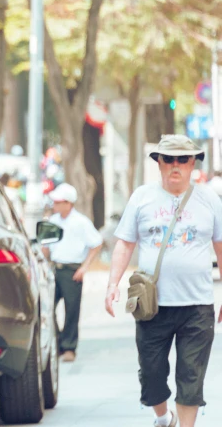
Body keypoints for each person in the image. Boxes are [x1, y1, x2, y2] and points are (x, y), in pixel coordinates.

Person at [105, 134, 222, 427]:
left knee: (190, 376)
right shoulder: (142, 197)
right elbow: (124, 244)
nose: (176, 166)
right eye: (168, 159)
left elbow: (221, 246)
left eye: (183, 159)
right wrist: (111, 285)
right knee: (152, 373)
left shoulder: (210, 199)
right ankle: (163, 417)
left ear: (193, 162)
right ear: (158, 162)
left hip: (197, 306)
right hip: (152, 306)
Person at [43, 182, 103, 362]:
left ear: (68, 203)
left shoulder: (81, 222)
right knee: (47, 308)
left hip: (72, 270)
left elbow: (96, 243)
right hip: (55, 268)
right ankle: (57, 339)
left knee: (71, 310)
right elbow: (46, 247)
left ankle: (69, 347)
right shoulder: (52, 222)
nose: (54, 205)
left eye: (58, 202)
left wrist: (84, 267)